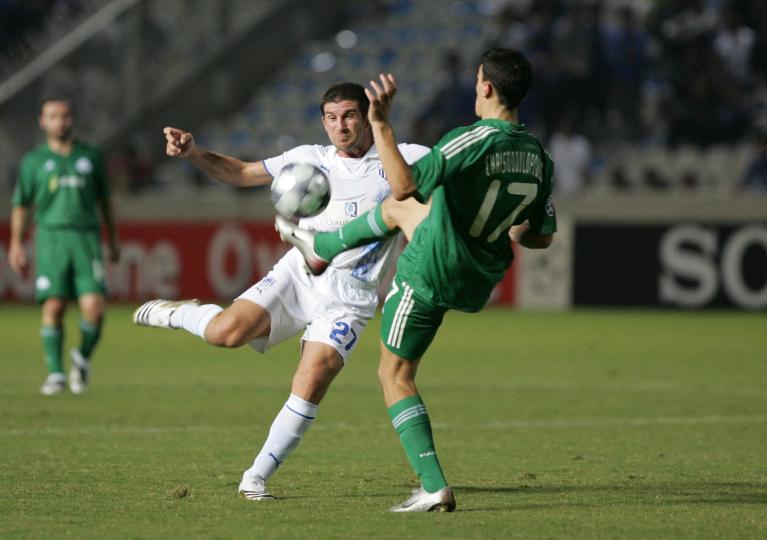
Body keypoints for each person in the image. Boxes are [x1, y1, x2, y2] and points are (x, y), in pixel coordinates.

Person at [277, 48, 556, 512]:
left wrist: (381, 123)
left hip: (433, 268)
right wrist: (509, 226)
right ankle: (321, 246)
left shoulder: (471, 139)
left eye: (476, 81)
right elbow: (541, 237)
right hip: (479, 276)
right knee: (396, 211)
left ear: (486, 87)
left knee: (394, 374)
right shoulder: (539, 156)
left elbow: (404, 183)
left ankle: (433, 485)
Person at [132, 82, 430, 500]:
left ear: (367, 116)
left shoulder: (405, 158)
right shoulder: (309, 159)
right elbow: (241, 173)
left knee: (313, 377)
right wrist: (194, 153)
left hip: (350, 297)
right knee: (224, 334)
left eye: (349, 115)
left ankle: (255, 477)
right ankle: (179, 312)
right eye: (331, 118)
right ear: (322, 121)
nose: (340, 126)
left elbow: (455, 178)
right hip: (299, 274)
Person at [9, 98, 120, 395]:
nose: (60, 121)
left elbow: (105, 201)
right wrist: (16, 243)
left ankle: (82, 356)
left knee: (94, 308)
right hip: (51, 238)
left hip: (86, 238)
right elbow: (22, 204)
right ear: (42, 121)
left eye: (65, 116)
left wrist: (113, 238)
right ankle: (56, 374)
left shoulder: (91, 156)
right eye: (53, 116)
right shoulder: (33, 161)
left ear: (72, 119)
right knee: (54, 305)